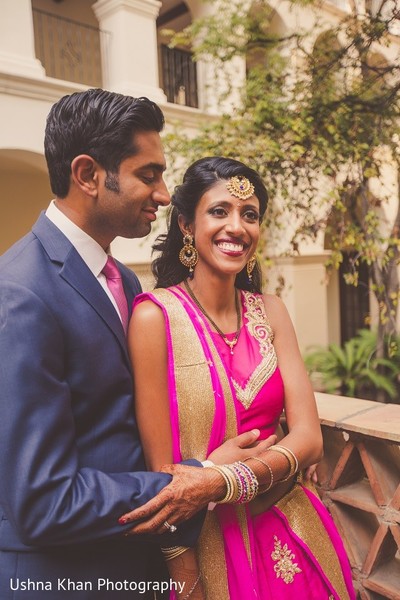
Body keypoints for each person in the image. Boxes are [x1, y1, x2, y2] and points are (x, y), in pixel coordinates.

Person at [0, 91, 275, 599]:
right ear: (88, 175)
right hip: (66, 578)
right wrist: (204, 477)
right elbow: (43, 500)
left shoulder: (122, 281)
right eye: (148, 175)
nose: (166, 194)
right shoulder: (21, 294)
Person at [121, 157, 356, 599]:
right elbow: (164, 481)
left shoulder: (271, 310)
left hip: (293, 530)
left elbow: (309, 438)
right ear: (187, 225)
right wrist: (186, 586)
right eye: (220, 211)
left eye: (250, 215)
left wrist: (224, 479)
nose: (237, 226)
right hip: (207, 546)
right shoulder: (155, 318)